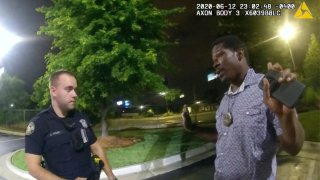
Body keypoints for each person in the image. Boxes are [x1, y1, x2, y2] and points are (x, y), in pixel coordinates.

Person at [182, 35, 305, 179]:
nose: (215, 64)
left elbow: (294, 147)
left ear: (239, 54)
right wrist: (192, 128)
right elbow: (224, 137)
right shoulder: (224, 101)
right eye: (213, 61)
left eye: (220, 55)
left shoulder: (267, 88)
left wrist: (286, 115)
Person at [25, 70, 117, 180]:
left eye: (75, 89)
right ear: (53, 91)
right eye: (69, 89)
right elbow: (33, 168)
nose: (75, 94)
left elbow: (96, 148)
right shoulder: (39, 124)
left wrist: (111, 177)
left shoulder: (81, 117)